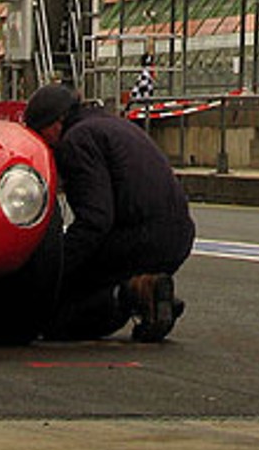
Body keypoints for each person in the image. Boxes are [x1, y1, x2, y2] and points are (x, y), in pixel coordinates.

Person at [22, 83, 193, 342]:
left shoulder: (76, 141)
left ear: (56, 123)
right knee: (87, 280)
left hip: (140, 239)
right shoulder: (113, 124)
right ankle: (151, 295)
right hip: (178, 237)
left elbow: (95, 221)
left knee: (58, 319)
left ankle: (132, 294)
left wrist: (54, 267)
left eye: (40, 135)